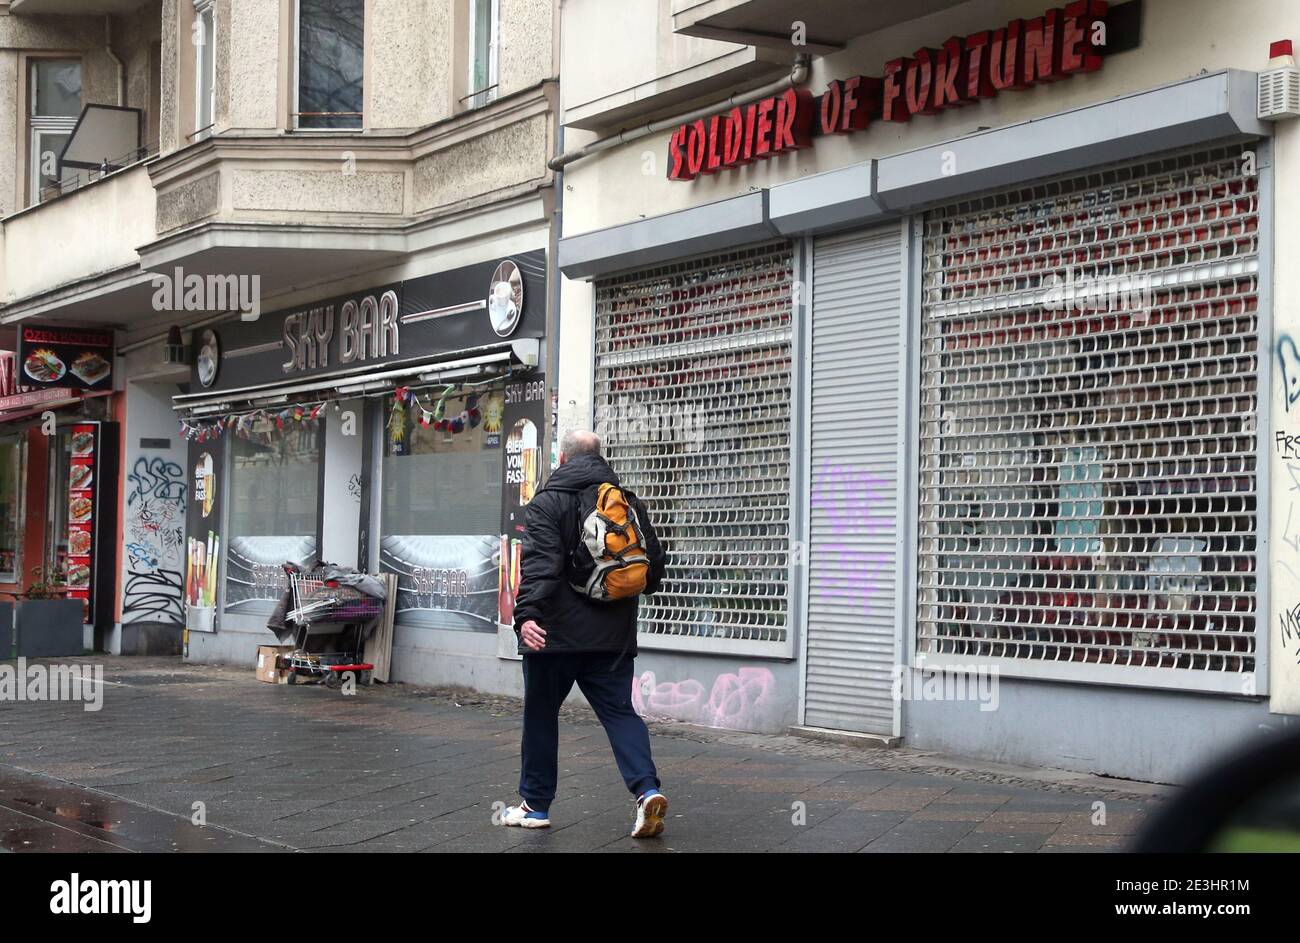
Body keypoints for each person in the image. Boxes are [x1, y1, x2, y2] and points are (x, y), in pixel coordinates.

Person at [499, 429, 669, 837]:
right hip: (612, 636)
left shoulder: (548, 501)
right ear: (599, 457)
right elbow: (655, 568)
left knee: (541, 716)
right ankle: (646, 792)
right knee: (620, 714)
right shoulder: (625, 502)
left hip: (554, 635)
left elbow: (540, 563)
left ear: (561, 459)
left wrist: (526, 616)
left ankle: (536, 806)